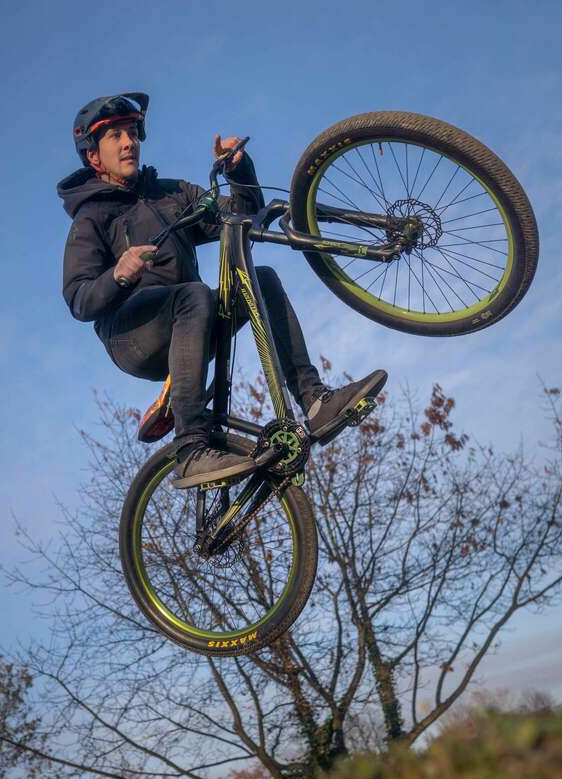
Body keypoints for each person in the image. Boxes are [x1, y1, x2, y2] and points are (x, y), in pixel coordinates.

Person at [57, 93, 387, 488]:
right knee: (193, 295)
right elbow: (78, 299)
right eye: (115, 136)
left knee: (261, 280)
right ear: (93, 155)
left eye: (132, 133)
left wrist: (237, 169)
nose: (129, 142)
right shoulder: (91, 217)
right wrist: (119, 275)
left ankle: (314, 401)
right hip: (132, 338)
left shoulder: (171, 194)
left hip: (190, 323)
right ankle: (190, 450)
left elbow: (243, 217)